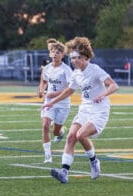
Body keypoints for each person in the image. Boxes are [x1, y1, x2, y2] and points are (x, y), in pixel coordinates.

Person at [42, 37, 119, 183]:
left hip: (99, 111)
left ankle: (94, 161)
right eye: (71, 58)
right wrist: (51, 103)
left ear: (84, 57)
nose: (73, 60)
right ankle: (64, 172)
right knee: (71, 137)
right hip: (85, 109)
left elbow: (113, 85)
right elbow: (68, 91)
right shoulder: (76, 73)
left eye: (76, 58)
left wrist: (102, 95)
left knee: (81, 135)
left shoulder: (95, 70)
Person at [40, 41, 72, 163]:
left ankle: (61, 131)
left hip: (63, 104)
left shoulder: (66, 70)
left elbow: (70, 88)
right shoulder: (47, 68)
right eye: (53, 52)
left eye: (58, 52)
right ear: (50, 54)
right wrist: (41, 90)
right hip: (49, 102)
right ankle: (48, 156)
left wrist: (56, 94)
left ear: (62, 55)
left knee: (56, 131)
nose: (55, 54)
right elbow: (44, 81)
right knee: (45, 125)